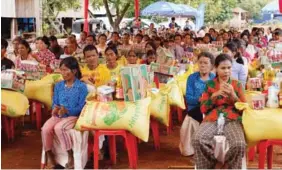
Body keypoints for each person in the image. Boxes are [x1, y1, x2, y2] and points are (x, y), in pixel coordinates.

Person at [192, 53, 247, 169]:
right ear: (216, 68)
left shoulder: (237, 85)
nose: (226, 71)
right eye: (223, 68)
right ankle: (213, 164)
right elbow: (203, 108)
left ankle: (228, 164)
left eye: (229, 68)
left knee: (239, 144)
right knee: (197, 140)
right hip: (212, 118)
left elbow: (245, 109)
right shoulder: (210, 85)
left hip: (233, 119)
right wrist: (214, 96)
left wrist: (233, 96)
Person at [41, 57, 88, 169]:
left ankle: (70, 155)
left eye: (66, 70)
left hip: (73, 116)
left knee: (59, 128)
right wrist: (55, 108)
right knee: (45, 129)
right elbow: (55, 102)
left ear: (74, 71)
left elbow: (82, 107)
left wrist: (68, 110)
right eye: (61, 70)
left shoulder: (81, 87)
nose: (63, 73)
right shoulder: (59, 86)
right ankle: (50, 156)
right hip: (58, 115)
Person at [186, 52, 215, 123]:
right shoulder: (192, 78)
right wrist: (200, 100)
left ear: (211, 65)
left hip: (211, 108)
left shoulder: (214, 78)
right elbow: (188, 99)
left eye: (205, 63)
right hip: (195, 108)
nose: (202, 65)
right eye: (200, 62)